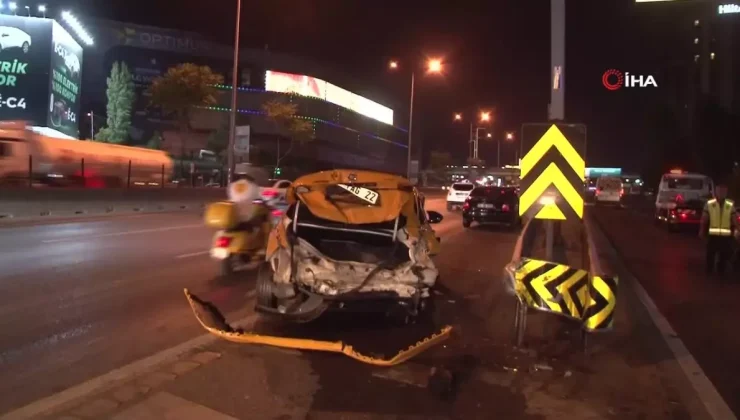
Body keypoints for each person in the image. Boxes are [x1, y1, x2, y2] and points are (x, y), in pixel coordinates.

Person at [699, 184, 738, 276]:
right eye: (719, 190)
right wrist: (701, 230)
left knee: (723, 255)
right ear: (716, 191)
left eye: (723, 191)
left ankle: (721, 271)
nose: (721, 193)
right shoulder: (710, 204)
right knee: (710, 254)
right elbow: (704, 219)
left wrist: (738, 228)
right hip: (713, 235)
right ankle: (709, 271)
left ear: (726, 192)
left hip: (725, 236)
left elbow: (734, 219)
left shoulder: (730, 204)